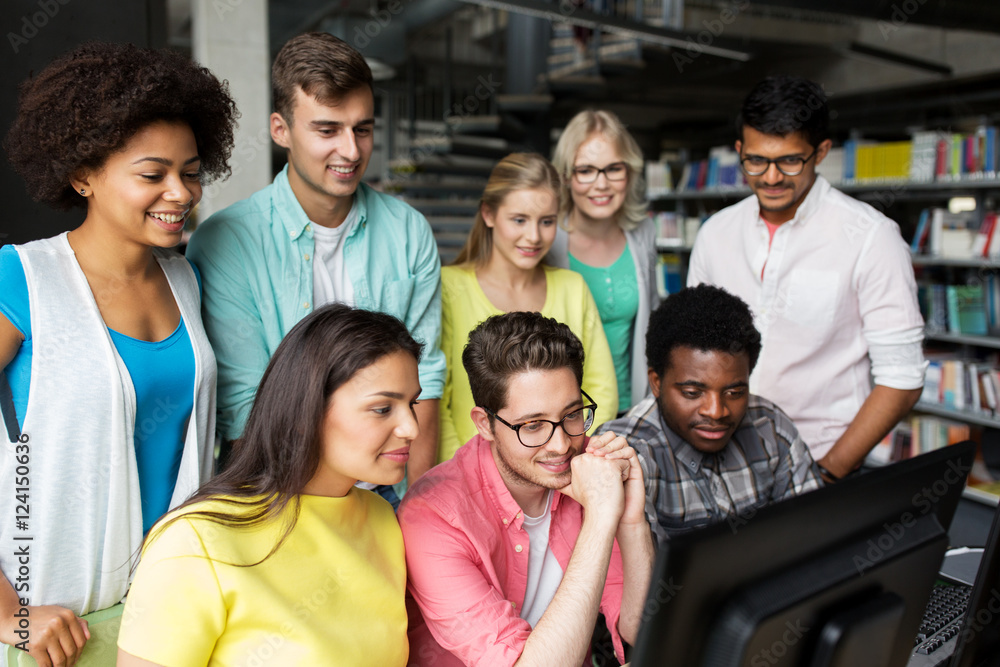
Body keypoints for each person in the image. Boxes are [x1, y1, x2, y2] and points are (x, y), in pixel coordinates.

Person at [0, 42, 235, 665]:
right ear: (84, 174)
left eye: (190, 172)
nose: (180, 193)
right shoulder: (23, 279)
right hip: (57, 626)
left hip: (167, 611)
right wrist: (6, 611)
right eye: (152, 174)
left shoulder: (185, 280)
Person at [186, 32, 445, 497]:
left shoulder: (408, 232)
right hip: (281, 489)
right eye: (327, 130)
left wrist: (418, 508)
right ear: (280, 129)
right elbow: (246, 407)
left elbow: (424, 381)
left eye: (362, 129)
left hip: (389, 488)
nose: (350, 150)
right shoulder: (226, 242)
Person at [117, 304, 417, 666]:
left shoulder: (382, 518)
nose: (412, 428)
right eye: (383, 409)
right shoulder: (197, 539)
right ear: (307, 411)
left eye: (412, 404)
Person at [687, 75, 926, 482]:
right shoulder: (716, 233)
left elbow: (902, 378)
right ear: (740, 151)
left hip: (822, 459)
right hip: (720, 459)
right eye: (757, 160)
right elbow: (692, 348)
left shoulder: (871, 238)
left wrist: (828, 473)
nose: (772, 177)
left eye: (790, 161)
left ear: (821, 152)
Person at [400, 312, 653, 666]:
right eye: (533, 425)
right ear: (484, 424)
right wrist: (599, 519)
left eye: (572, 414)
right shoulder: (432, 517)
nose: (562, 444)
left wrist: (631, 522)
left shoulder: (590, 472)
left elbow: (642, 633)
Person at [596, 285, 824, 547]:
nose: (716, 411)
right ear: (656, 382)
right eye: (693, 392)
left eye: (735, 391)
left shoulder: (771, 427)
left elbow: (812, 538)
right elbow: (638, 582)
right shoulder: (628, 454)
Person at [439, 152, 617, 462]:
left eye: (546, 221)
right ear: (489, 214)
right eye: (519, 220)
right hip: (471, 476)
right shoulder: (448, 288)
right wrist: (468, 476)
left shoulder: (572, 287)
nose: (533, 236)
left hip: (560, 468)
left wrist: (562, 456)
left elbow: (602, 390)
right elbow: (437, 402)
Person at [548, 110, 659, 415]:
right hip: (564, 415)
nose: (601, 184)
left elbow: (651, 321)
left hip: (634, 408)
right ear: (567, 176)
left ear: (630, 172)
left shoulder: (643, 234)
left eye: (613, 169)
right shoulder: (546, 239)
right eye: (586, 170)